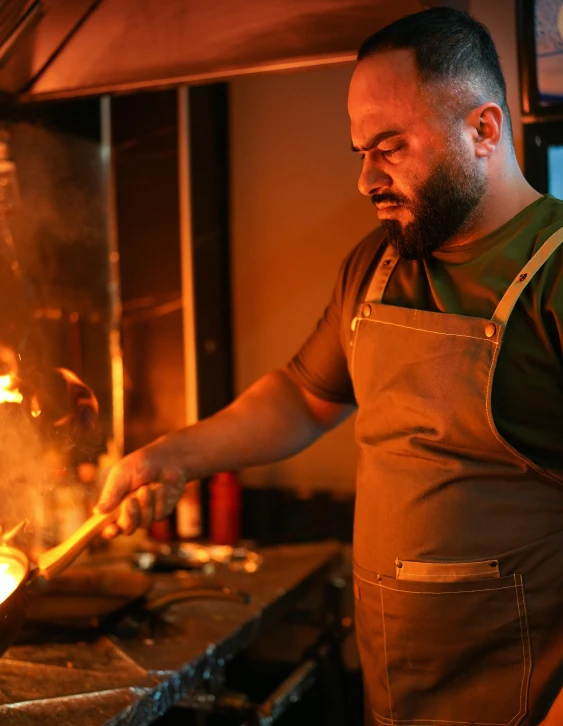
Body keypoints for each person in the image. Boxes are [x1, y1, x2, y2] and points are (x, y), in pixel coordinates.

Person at [96, 7, 563, 725]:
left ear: (483, 129)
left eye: (391, 147)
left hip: (521, 697)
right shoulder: (376, 264)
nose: (366, 180)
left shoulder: (554, 275)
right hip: (396, 684)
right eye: (360, 152)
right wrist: (174, 454)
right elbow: (301, 397)